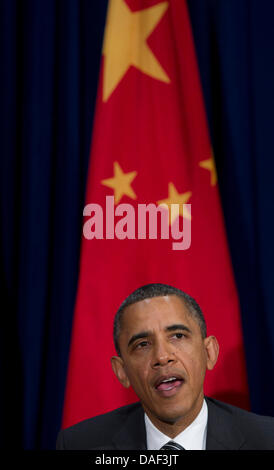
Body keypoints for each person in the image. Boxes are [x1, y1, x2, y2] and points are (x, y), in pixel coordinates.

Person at [56, 283, 274, 450]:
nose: (162, 357)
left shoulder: (266, 440)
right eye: (142, 344)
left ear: (209, 352)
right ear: (122, 371)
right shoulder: (80, 444)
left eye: (178, 336)